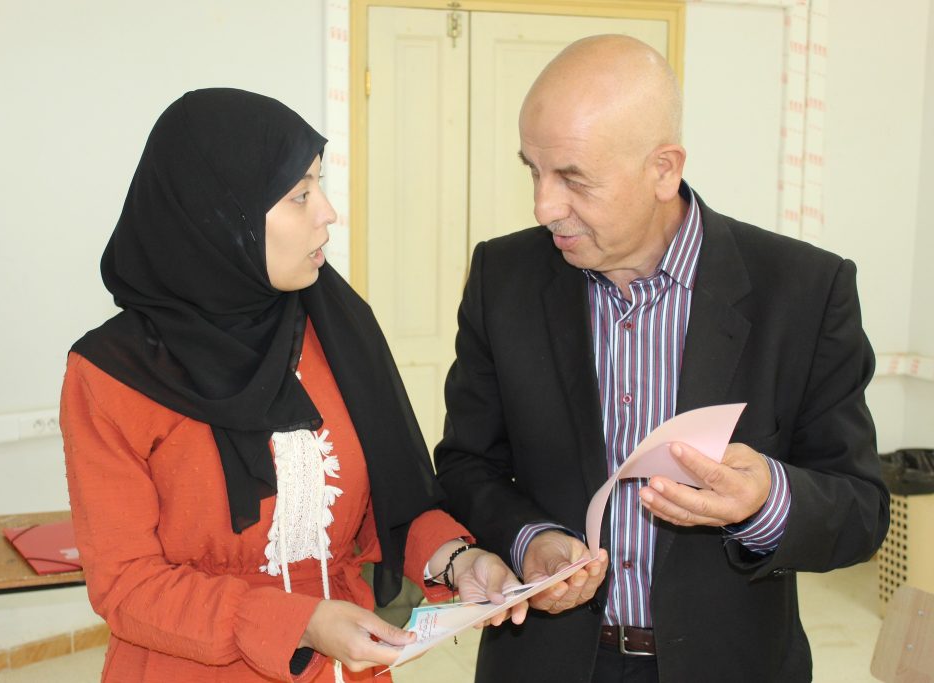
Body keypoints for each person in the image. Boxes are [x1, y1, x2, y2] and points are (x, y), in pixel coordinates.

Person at [434, 35, 889, 683]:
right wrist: (529, 538)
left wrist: (766, 499)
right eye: (533, 170)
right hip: (546, 661)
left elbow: (861, 510)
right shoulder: (502, 277)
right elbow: (466, 463)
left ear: (663, 169)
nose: (543, 206)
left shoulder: (803, 290)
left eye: (573, 179)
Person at [60, 88, 526, 683]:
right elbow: (127, 586)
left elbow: (388, 505)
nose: (327, 212)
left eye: (319, 186)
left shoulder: (337, 328)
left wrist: (457, 558)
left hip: (346, 665)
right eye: (299, 195)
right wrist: (299, 622)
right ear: (217, 217)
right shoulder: (113, 374)